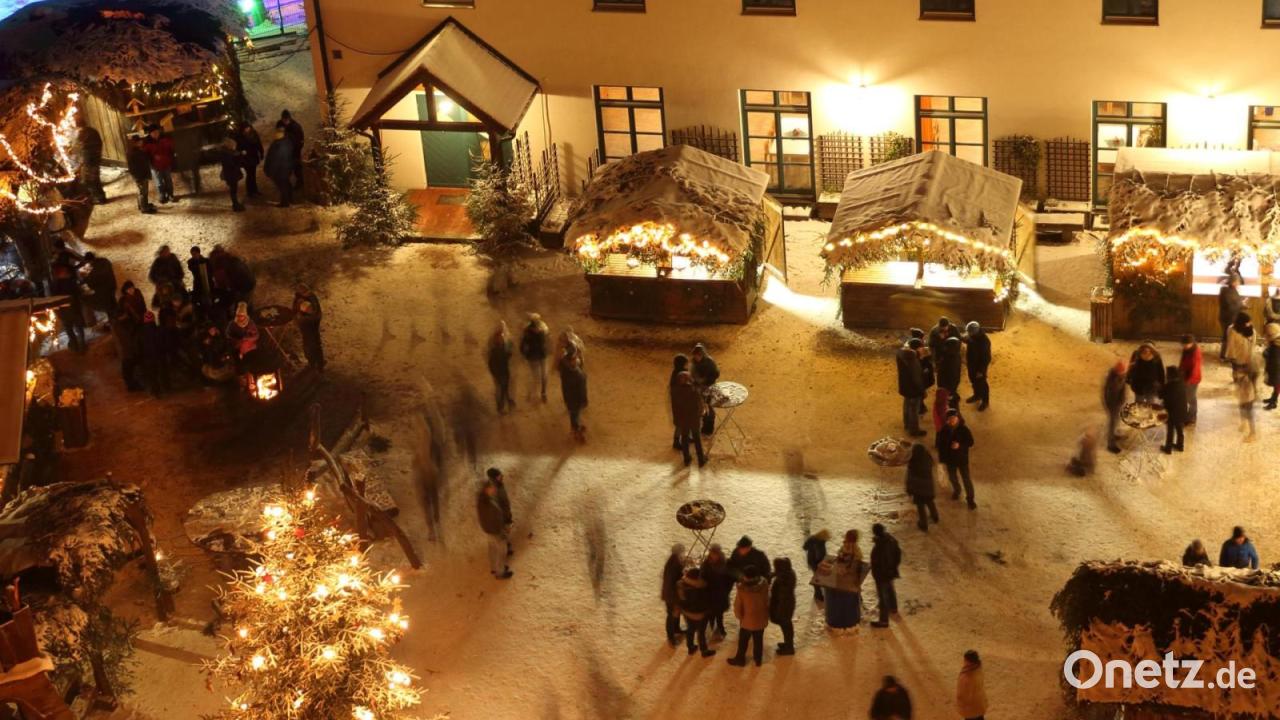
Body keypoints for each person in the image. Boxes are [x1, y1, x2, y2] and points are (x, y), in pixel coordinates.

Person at [726, 565, 770, 667]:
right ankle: (758, 659)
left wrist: (740, 617)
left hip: (747, 621)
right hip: (761, 619)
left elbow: (738, 606)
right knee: (758, 640)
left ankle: (740, 659)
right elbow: (767, 600)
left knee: (743, 641)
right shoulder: (764, 584)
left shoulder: (742, 589)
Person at [937, 409, 976, 509]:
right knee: (952, 478)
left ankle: (970, 499)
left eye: (954, 418)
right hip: (950, 460)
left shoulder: (964, 429)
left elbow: (971, 442)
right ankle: (957, 490)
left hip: (962, 459)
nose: (952, 420)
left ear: (958, 418)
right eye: (950, 419)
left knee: (966, 479)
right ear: (947, 420)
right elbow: (940, 446)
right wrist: (941, 461)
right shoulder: (943, 431)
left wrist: (960, 445)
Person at [670, 371, 707, 467]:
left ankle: (687, 459)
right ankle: (701, 459)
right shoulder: (693, 391)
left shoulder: (674, 391)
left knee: (685, 438)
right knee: (697, 439)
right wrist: (701, 414)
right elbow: (699, 406)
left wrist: (677, 420)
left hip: (682, 420)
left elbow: (674, 407)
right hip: (693, 419)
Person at [476, 483, 513, 579]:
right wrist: (502, 531)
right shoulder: (488, 503)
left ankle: (494, 567)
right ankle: (500, 572)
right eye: (492, 488)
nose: (494, 490)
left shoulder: (482, 500)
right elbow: (495, 518)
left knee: (492, 549)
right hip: (495, 530)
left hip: (488, 529)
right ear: (487, 489)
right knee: (502, 550)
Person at [677, 567, 715, 657]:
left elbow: (680, 600)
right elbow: (706, 602)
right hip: (700, 614)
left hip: (687, 613)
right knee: (701, 632)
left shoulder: (681, 585)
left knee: (690, 629)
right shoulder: (702, 588)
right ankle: (704, 650)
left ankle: (690, 647)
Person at [869, 523, 901, 628]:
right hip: (890, 572)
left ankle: (883, 620)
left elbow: (878, 561)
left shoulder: (880, 546)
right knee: (890, 589)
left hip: (882, 574)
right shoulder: (891, 540)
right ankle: (893, 608)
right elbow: (898, 554)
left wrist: (877, 573)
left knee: (883, 597)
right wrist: (894, 567)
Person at [112, 291, 143, 391]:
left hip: (132, 345)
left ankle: (134, 383)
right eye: (126, 304)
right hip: (127, 346)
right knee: (128, 365)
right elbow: (121, 328)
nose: (128, 305)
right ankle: (131, 384)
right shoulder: (119, 318)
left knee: (131, 364)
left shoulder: (129, 315)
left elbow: (137, 321)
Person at [896, 339, 928, 437]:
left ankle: (907, 424)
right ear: (917, 348)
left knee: (907, 405)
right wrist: (922, 391)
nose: (923, 349)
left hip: (905, 386)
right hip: (914, 389)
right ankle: (914, 430)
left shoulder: (903, 354)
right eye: (922, 347)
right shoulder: (912, 360)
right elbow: (916, 378)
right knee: (914, 410)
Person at [558, 344, 589, 442]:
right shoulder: (574, 374)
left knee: (575, 414)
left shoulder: (568, 370)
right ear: (571, 360)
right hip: (575, 399)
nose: (577, 360)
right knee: (575, 415)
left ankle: (575, 428)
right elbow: (579, 389)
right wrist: (583, 400)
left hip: (573, 398)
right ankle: (576, 430)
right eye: (575, 359)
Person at [906, 444, 939, 532]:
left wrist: (909, 490)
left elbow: (910, 478)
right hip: (928, 487)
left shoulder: (913, 463)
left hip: (918, 490)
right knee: (930, 502)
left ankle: (923, 524)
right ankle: (935, 516)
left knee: (921, 507)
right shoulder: (928, 459)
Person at [701, 544, 732, 638]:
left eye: (715, 553)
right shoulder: (706, 564)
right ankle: (712, 627)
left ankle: (720, 628)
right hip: (709, 594)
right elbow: (702, 577)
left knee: (719, 614)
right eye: (712, 553)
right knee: (710, 613)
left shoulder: (724, 563)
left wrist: (726, 590)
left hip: (720, 593)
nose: (713, 555)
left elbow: (729, 579)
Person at [293, 284, 325, 371]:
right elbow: (295, 309)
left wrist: (303, 318)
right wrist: (296, 316)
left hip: (312, 327)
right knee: (307, 344)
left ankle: (319, 364)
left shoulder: (312, 299)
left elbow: (317, 316)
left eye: (306, 291)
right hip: (304, 328)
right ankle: (311, 362)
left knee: (315, 344)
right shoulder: (298, 297)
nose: (307, 293)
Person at [691, 343, 720, 435]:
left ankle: (709, 427)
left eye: (698, 356)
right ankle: (704, 427)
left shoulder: (710, 362)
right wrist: (697, 381)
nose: (696, 358)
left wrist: (706, 379)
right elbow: (693, 374)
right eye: (695, 356)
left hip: (709, 387)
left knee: (710, 407)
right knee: (702, 408)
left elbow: (716, 373)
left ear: (702, 355)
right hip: (700, 389)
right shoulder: (694, 363)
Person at [519, 313, 550, 401]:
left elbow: (547, 341)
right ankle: (531, 393)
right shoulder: (528, 331)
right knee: (535, 376)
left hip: (542, 354)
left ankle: (543, 392)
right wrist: (524, 353)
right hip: (533, 356)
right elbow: (523, 344)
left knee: (544, 375)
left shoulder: (543, 329)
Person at [769, 557, 796, 656]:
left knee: (786, 626)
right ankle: (788, 644)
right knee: (786, 626)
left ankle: (789, 648)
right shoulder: (788, 572)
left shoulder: (784, 580)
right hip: (786, 605)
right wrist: (773, 574)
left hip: (784, 606)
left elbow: (782, 596)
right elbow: (779, 573)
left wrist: (778, 611)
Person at [142, 124, 176, 203]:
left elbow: (171, 149)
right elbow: (145, 155)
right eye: (153, 132)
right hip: (155, 166)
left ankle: (170, 194)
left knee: (168, 180)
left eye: (157, 132)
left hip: (166, 163)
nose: (156, 134)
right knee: (159, 182)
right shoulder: (147, 142)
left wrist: (171, 158)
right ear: (150, 134)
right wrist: (153, 158)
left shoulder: (165, 138)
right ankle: (162, 195)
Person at [487, 321, 516, 414]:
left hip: (502, 371)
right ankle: (501, 406)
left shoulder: (498, 346)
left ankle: (507, 402)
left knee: (505, 387)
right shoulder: (497, 350)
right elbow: (507, 355)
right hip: (500, 372)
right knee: (502, 388)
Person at [139, 311, 170, 396]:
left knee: (152, 375)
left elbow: (139, 346)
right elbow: (166, 343)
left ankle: (156, 391)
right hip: (160, 356)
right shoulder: (160, 330)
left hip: (148, 358)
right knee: (163, 372)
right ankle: (167, 388)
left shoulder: (141, 333)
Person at [264, 128, 296, 207]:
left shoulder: (279, 145)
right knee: (286, 183)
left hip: (280, 169)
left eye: (277, 133)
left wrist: (271, 172)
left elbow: (275, 160)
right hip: (286, 168)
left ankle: (285, 202)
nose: (275, 135)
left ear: (281, 134)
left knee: (282, 186)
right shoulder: (285, 142)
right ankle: (290, 198)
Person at [81, 251, 117, 323]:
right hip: (110, 287)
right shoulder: (104, 261)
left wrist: (85, 281)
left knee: (109, 307)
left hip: (104, 291)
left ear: (89, 260)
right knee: (112, 305)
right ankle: (114, 320)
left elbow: (92, 279)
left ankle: (114, 322)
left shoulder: (95, 266)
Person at [485, 468, 513, 556]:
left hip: (505, 516)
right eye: (500, 475)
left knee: (506, 533)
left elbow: (504, 502)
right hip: (499, 519)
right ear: (494, 478)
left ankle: (507, 546)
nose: (502, 476)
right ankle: (502, 556)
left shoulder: (500, 485)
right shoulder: (491, 489)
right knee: (500, 539)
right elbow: (494, 507)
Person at [77, 118, 106, 203]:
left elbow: (81, 146)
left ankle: (98, 198)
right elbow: (100, 143)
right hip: (96, 157)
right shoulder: (93, 131)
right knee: (96, 178)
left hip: (89, 159)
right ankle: (101, 197)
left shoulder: (82, 134)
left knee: (90, 180)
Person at [963, 322, 991, 410]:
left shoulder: (984, 341)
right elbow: (968, 340)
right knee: (973, 381)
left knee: (982, 384)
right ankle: (977, 395)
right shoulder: (973, 336)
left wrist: (981, 371)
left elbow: (986, 358)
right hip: (972, 364)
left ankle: (985, 401)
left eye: (969, 332)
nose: (968, 334)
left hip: (979, 367)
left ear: (975, 332)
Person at [661, 544, 685, 646]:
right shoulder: (675, 563)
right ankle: (671, 637)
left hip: (670, 593)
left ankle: (677, 629)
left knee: (676, 612)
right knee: (671, 615)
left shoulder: (673, 560)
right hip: (672, 594)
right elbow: (674, 580)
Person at [1159, 366, 1187, 454]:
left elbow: (1161, 395)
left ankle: (1168, 448)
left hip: (1171, 412)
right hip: (1182, 411)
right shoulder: (1182, 383)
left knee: (1170, 430)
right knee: (1179, 429)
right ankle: (1180, 446)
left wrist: (1159, 387)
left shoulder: (1169, 386)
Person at [126, 136, 157, 214]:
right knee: (143, 192)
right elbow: (137, 165)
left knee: (141, 191)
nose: (141, 142)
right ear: (135, 143)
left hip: (140, 175)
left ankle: (142, 205)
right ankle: (144, 208)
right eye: (139, 141)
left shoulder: (135, 151)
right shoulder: (135, 153)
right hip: (140, 176)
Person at [956, 650, 989, 720]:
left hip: (971, 707)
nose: (964, 661)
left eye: (965, 659)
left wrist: (961, 702)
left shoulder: (968, 677)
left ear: (969, 661)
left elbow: (963, 695)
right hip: (979, 703)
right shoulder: (978, 669)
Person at [1103, 361, 1128, 453]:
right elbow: (1114, 390)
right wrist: (1121, 380)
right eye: (1123, 372)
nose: (1124, 374)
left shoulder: (1119, 376)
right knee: (1112, 423)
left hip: (1118, 403)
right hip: (1113, 404)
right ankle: (1111, 444)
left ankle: (1114, 434)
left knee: (1116, 420)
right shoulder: (1113, 380)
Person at [1234, 355, 1260, 442]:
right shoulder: (1243, 378)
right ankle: (1243, 423)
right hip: (1243, 398)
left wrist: (1242, 396)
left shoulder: (1247, 380)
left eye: (1239, 370)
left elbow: (1248, 392)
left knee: (1250, 415)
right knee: (1241, 410)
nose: (1237, 372)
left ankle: (1253, 434)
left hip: (1247, 400)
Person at [1219, 274, 1244, 361]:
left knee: (1231, 337)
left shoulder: (1234, 290)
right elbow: (1229, 305)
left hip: (1233, 316)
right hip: (1227, 317)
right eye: (1237, 281)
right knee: (1227, 336)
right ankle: (1223, 356)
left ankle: (1228, 355)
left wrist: (1243, 304)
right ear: (1233, 282)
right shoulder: (1225, 290)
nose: (1238, 283)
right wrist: (1241, 304)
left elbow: (1237, 302)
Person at [278, 109, 305, 190]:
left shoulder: (296, 127)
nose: (285, 121)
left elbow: (300, 141)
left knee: (297, 168)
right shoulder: (280, 124)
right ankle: (286, 186)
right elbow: (277, 137)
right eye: (283, 120)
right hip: (284, 153)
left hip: (294, 152)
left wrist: (296, 150)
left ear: (289, 118)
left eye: (286, 119)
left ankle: (300, 183)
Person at [1179, 334, 1202, 424]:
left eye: (1186, 344)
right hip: (1185, 376)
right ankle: (1186, 415)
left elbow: (1195, 368)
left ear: (1192, 343)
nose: (1184, 346)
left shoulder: (1195, 353)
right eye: (1183, 344)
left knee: (1191, 398)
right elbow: (1182, 362)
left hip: (1193, 379)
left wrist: (1189, 381)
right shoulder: (1186, 350)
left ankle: (1192, 417)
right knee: (1185, 397)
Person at [237, 124, 265, 198]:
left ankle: (255, 190)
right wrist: (241, 152)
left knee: (253, 174)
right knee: (249, 175)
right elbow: (238, 148)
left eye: (248, 128)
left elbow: (258, 143)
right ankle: (250, 192)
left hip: (253, 156)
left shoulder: (254, 134)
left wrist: (261, 152)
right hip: (246, 159)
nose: (247, 129)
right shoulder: (240, 136)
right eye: (246, 128)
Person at [803, 529, 830, 603]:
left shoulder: (821, 540)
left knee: (820, 576)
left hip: (818, 561)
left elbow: (822, 551)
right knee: (817, 577)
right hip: (814, 562)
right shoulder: (815, 540)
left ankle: (819, 593)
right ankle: (818, 595)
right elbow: (805, 547)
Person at [669, 354, 690, 450]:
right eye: (686, 363)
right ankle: (676, 442)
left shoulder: (679, 373)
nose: (687, 364)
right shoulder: (679, 375)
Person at [219, 138, 245, 212]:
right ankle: (235, 205)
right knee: (233, 190)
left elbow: (235, 155)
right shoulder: (226, 154)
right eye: (234, 145)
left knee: (233, 190)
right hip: (231, 174)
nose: (235, 147)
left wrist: (239, 155)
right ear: (230, 146)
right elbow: (233, 165)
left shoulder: (227, 152)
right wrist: (240, 158)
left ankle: (235, 204)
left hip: (230, 174)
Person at [188, 247, 213, 320]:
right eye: (192, 254)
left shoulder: (207, 261)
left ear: (199, 253)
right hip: (198, 284)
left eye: (195, 254)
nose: (193, 256)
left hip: (208, 283)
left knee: (209, 298)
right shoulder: (191, 262)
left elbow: (210, 271)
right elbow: (193, 269)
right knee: (199, 300)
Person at [938, 336, 963, 404]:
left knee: (951, 395)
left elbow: (952, 373)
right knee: (951, 395)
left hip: (949, 383)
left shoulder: (951, 357)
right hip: (950, 383)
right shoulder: (954, 355)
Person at [1263, 323, 1280, 410]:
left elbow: (1276, 360)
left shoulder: (1276, 345)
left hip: (1277, 369)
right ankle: (1273, 398)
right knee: (1276, 384)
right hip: (1275, 368)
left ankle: (1274, 402)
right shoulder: (1275, 343)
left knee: (1277, 384)